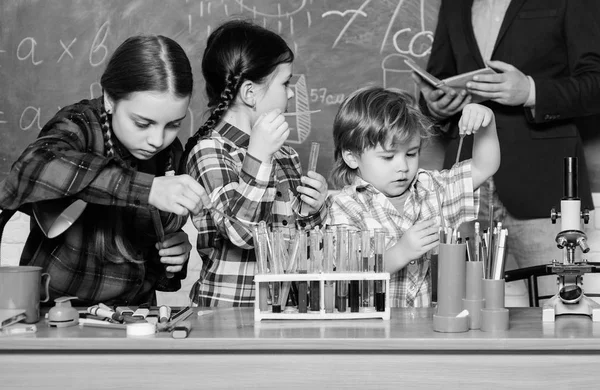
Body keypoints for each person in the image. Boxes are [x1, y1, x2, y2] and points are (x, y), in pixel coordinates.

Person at [0, 35, 212, 306]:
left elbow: (146, 259)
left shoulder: (170, 153)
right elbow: (31, 168)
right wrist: (148, 189)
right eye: (142, 123)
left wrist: (174, 253)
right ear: (110, 99)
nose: (158, 140)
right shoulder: (80, 125)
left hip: (135, 318)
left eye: (173, 125)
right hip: (58, 316)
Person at [416, 0, 600, 303]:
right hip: (465, 179)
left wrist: (530, 91)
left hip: (543, 181)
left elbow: (595, 83)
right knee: (452, 306)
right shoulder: (454, 3)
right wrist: (435, 105)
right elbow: (438, 78)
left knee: (558, 306)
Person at [183, 20, 329, 307]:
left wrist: (314, 209)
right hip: (228, 316)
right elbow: (241, 233)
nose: (290, 93)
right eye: (285, 83)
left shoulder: (285, 154)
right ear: (250, 93)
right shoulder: (209, 151)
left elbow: (305, 245)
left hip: (286, 308)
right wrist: (259, 157)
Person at [325, 86, 500, 307]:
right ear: (351, 157)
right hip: (372, 332)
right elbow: (348, 273)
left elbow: (484, 166)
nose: (403, 166)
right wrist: (401, 252)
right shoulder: (344, 206)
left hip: (423, 329)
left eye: (411, 153)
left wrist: (487, 123)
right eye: (388, 157)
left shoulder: (431, 188)